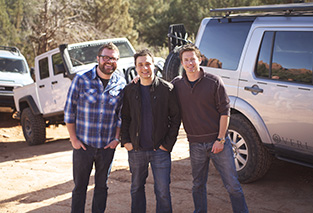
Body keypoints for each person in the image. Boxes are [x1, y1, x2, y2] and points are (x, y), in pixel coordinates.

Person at [172, 44, 248, 213]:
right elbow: (158, 90)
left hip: (218, 143)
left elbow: (225, 111)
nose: (190, 63)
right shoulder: (177, 84)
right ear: (182, 63)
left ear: (200, 59)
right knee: (198, 185)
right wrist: (137, 80)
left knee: (233, 186)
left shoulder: (214, 81)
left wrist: (221, 139)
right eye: (186, 60)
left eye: (193, 59)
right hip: (195, 145)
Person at [64, 42, 126, 213]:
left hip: (107, 147)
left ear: (117, 61)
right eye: (105, 57)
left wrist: (116, 139)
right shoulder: (81, 79)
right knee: (80, 188)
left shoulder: (120, 83)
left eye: (113, 58)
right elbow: (70, 111)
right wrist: (74, 139)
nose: (109, 61)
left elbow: (121, 115)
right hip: (84, 145)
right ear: (98, 58)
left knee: (101, 187)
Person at [120, 49, 181, 213]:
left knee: (162, 192)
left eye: (147, 63)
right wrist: (126, 141)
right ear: (135, 67)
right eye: (140, 65)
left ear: (154, 65)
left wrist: (167, 145)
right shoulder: (130, 90)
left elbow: (175, 119)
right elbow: (125, 117)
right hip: (136, 150)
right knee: (136, 189)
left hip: (160, 151)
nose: (144, 68)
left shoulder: (166, 89)